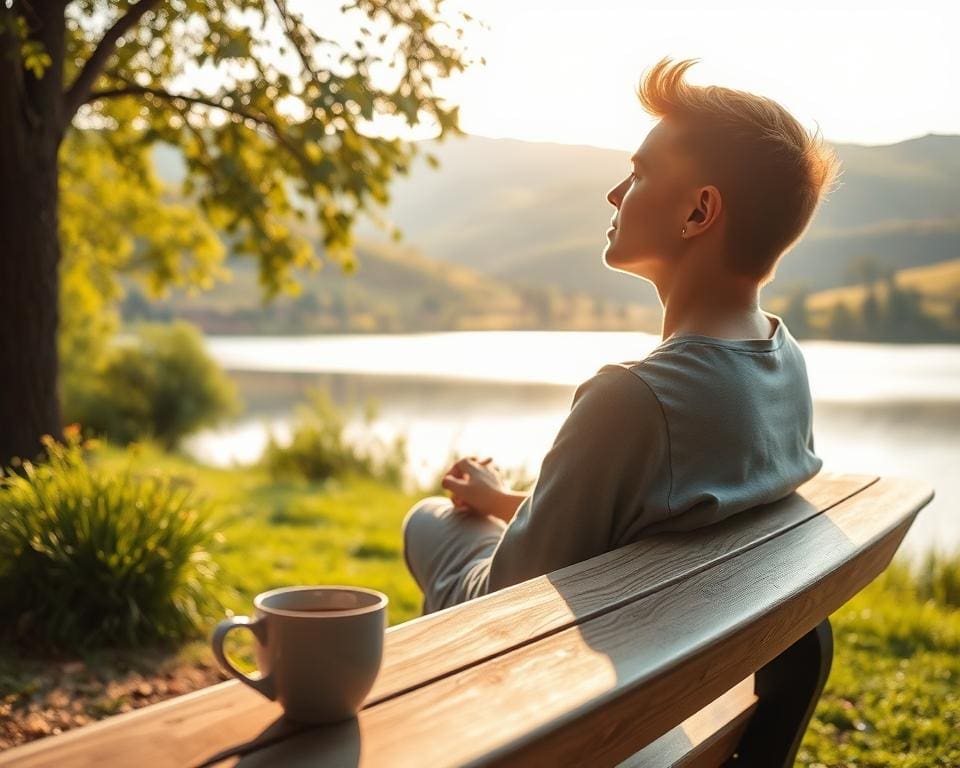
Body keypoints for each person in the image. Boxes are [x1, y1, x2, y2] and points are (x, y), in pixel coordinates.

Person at [402, 57, 841, 616]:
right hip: (684, 649)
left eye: (638, 174)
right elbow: (637, 521)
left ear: (699, 210)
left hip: (550, 668)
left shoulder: (634, 400)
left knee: (428, 521)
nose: (614, 193)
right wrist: (503, 501)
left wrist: (468, 517)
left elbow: (507, 597)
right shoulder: (783, 360)